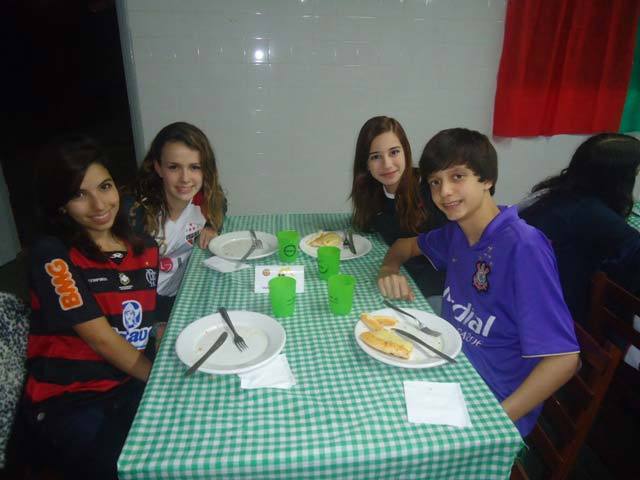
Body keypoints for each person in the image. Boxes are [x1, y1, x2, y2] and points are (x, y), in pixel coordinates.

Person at [376, 128, 579, 436]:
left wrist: (495, 422)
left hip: (492, 399)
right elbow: (403, 246)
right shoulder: (456, 232)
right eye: (435, 182)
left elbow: (564, 359)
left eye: (457, 177)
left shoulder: (523, 247)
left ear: (487, 179)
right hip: (449, 368)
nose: (445, 192)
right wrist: (388, 269)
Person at [17, 136, 158, 479]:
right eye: (79, 194)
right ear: (60, 205)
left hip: (129, 382)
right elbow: (102, 339)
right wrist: (161, 382)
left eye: (105, 187)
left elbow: (146, 322)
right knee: (128, 469)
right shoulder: (52, 256)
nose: (99, 204)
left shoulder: (144, 249)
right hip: (73, 398)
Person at [519, 133, 640, 326]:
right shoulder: (600, 219)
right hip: (554, 316)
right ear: (619, 178)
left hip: (521, 295)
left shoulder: (551, 193)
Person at [128, 122, 226, 330]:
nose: (185, 179)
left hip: (183, 294)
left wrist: (211, 226)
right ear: (158, 167)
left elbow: (221, 203)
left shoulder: (205, 199)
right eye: (173, 167)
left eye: (195, 167)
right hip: (148, 307)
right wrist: (156, 324)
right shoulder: (138, 216)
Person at [350, 116, 446, 302]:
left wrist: (390, 268)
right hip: (394, 277)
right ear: (366, 164)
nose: (387, 164)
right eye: (375, 157)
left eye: (394, 152)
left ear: (406, 152)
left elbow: (449, 247)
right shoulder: (371, 191)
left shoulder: (432, 190)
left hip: (435, 289)